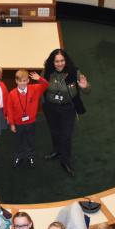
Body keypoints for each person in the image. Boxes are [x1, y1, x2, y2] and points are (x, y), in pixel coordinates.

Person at [42, 48, 90, 177]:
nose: (60, 63)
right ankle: (57, 151)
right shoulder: (47, 71)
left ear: (66, 60)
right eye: (56, 61)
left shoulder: (74, 72)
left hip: (67, 108)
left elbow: (87, 88)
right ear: (52, 62)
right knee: (54, 131)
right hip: (50, 108)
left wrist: (85, 87)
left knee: (66, 135)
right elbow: (41, 86)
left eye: (62, 60)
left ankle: (65, 160)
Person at [6, 69, 48, 169]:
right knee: (19, 140)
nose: (22, 83)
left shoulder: (34, 89)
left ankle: (30, 156)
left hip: (31, 122)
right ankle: (19, 156)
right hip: (18, 123)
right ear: (16, 81)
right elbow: (9, 110)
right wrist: (11, 124)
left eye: (25, 81)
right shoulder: (12, 94)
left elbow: (46, 85)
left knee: (30, 140)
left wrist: (40, 78)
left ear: (28, 80)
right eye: (20, 81)